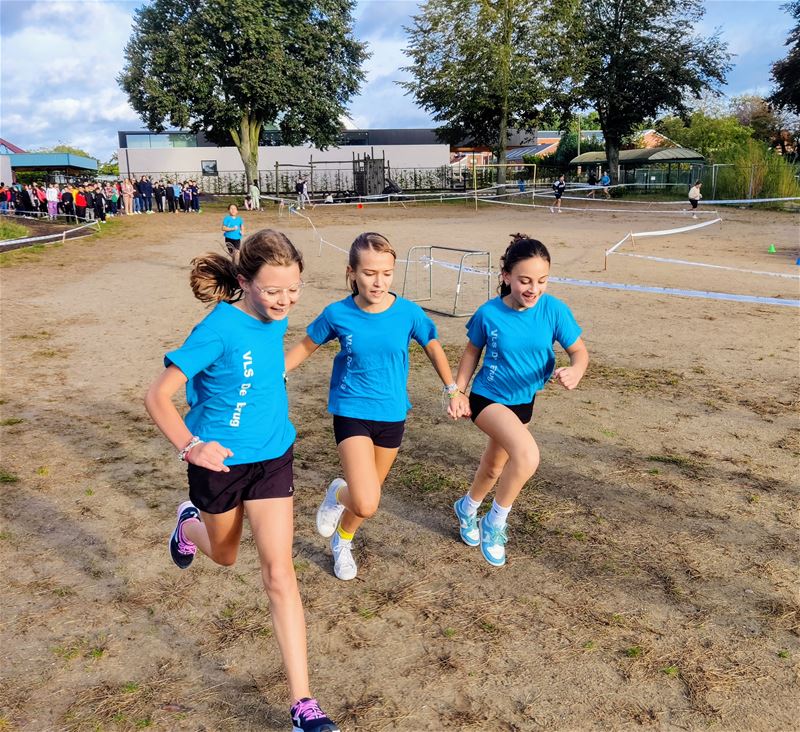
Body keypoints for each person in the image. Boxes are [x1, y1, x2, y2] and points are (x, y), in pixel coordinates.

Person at [144, 230, 341, 732]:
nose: (285, 300)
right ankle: (188, 527)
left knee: (280, 574)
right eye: (273, 291)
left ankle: (303, 704)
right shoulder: (216, 329)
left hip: (274, 455)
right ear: (244, 282)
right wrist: (191, 446)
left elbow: (267, 368)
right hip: (219, 465)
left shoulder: (276, 321)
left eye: (293, 290)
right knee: (226, 554)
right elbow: (158, 396)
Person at [285, 232, 468, 581]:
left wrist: (453, 390)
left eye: (386, 273)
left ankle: (342, 539)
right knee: (367, 501)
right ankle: (338, 493)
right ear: (352, 272)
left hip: (392, 415)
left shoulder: (409, 313)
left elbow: (432, 346)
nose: (378, 281)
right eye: (369, 273)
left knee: (365, 502)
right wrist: (277, 372)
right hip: (351, 411)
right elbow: (307, 345)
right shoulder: (337, 313)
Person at [451, 233, 589, 567]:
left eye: (541, 281)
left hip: (523, 401)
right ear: (506, 276)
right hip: (487, 399)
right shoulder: (489, 314)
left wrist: (576, 370)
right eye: (524, 280)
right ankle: (494, 522)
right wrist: (457, 391)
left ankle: (467, 507)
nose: (533, 288)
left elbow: (579, 352)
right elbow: (471, 352)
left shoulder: (554, 310)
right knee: (527, 456)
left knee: (495, 466)